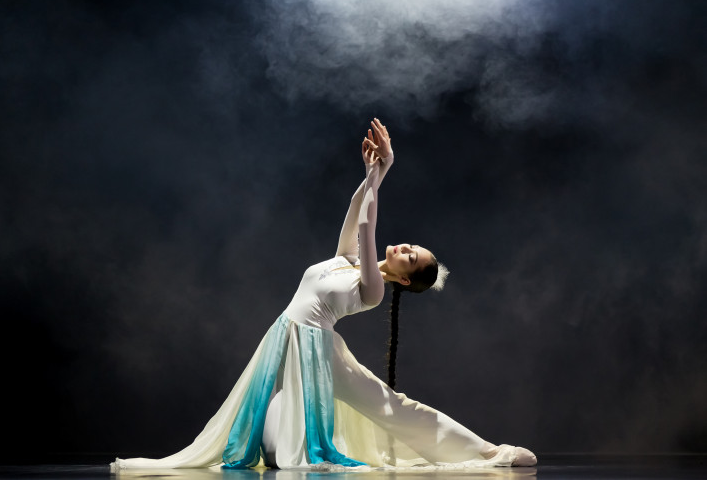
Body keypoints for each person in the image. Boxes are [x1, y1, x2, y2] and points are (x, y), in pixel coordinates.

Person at [110, 119, 536, 471]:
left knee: (393, 407)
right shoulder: (346, 259)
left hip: (318, 351)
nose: (405, 248)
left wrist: (381, 171)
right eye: (412, 246)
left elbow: (367, 227)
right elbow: (356, 213)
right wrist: (374, 171)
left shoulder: (372, 288)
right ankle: (283, 449)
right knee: (272, 435)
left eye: (410, 257)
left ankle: (488, 452)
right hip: (284, 338)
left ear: (404, 280)